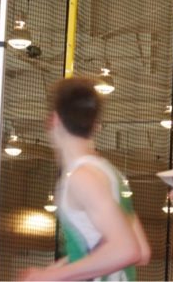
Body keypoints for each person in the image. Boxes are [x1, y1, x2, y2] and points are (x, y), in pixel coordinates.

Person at [21, 76, 150, 281]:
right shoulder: (110, 173)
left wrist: (52, 277)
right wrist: (55, 270)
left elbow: (128, 250)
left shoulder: (83, 178)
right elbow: (142, 251)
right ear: (94, 124)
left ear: (53, 119)